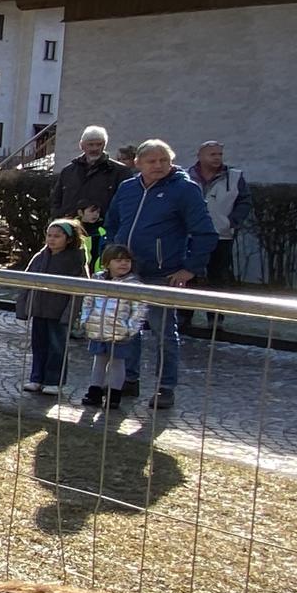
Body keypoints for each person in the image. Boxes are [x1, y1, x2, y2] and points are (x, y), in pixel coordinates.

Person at [102, 139, 216, 410]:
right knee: (128, 329)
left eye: (163, 160)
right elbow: (113, 222)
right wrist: (111, 252)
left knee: (164, 332)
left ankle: (166, 387)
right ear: (138, 163)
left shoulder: (184, 189)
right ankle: (129, 379)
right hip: (127, 272)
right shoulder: (128, 188)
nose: (158, 165)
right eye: (152, 161)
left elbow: (204, 232)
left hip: (162, 274)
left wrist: (190, 268)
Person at [17, 219, 88, 393]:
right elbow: (27, 281)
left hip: (59, 311)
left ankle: (54, 380)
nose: (52, 239)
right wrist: (23, 308)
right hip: (39, 309)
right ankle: (36, 378)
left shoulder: (75, 260)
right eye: (49, 235)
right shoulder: (40, 257)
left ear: (69, 239)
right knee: (39, 345)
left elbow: (80, 289)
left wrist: (71, 313)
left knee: (57, 347)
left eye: (57, 236)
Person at [187, 139, 252, 323]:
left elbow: (244, 201)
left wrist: (231, 222)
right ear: (200, 156)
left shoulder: (234, 176)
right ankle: (184, 316)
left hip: (221, 235)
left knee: (218, 278)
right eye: (212, 154)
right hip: (192, 234)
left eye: (219, 154)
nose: (217, 158)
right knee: (188, 275)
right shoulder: (186, 175)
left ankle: (216, 318)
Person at [81, 245, 149, 411]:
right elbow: (88, 301)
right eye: (118, 260)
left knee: (117, 363)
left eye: (127, 261)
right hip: (99, 328)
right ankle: (94, 391)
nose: (123, 264)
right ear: (107, 263)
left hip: (120, 332)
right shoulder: (98, 280)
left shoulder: (134, 284)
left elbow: (139, 310)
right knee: (99, 360)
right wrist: (86, 320)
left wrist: (130, 328)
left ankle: (114, 395)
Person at [52, 125, 133, 221]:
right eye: (90, 144)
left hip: (102, 231)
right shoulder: (68, 171)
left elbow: (127, 204)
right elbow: (56, 200)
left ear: (104, 145)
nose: (95, 148)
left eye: (99, 144)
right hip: (72, 230)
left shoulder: (120, 172)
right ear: (81, 145)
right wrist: (59, 219)